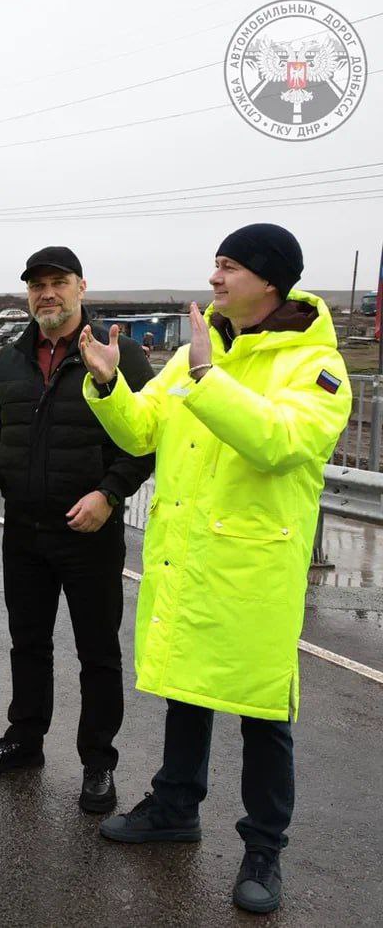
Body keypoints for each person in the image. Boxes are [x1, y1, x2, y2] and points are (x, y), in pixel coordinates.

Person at [78, 224, 352, 914]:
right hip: (189, 555)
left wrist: (206, 376)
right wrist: (109, 384)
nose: (214, 278)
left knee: (262, 710)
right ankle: (174, 805)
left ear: (268, 278)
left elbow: (282, 441)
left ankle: (264, 847)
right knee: (188, 689)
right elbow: (144, 429)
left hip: (253, 567)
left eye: (227, 267)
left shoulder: (314, 365)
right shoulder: (205, 349)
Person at [0, 246, 154, 813]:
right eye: (37, 285)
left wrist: (109, 494)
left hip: (88, 533)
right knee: (28, 642)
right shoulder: (10, 360)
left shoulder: (121, 356)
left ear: (81, 287)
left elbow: (144, 439)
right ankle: (25, 739)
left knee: (97, 652)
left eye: (58, 282)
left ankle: (98, 762)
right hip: (24, 529)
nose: (47, 293)